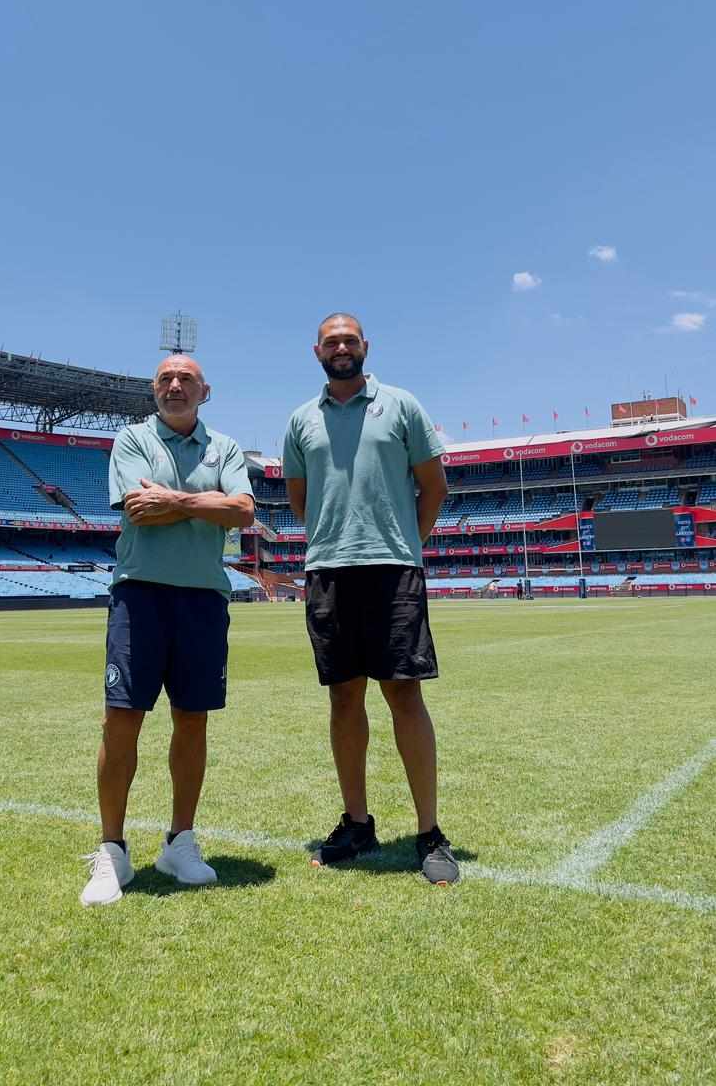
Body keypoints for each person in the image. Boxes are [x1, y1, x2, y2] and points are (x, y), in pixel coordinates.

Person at [282, 313, 459, 885]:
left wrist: (406, 543)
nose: (341, 347)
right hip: (329, 571)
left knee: (404, 693)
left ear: (365, 347)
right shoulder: (301, 420)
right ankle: (357, 823)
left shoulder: (402, 405)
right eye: (331, 341)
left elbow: (434, 486)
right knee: (343, 697)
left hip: (393, 570)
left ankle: (429, 832)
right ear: (317, 351)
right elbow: (300, 498)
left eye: (349, 340)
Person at [81, 355, 254, 906]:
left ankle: (180, 842)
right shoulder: (132, 439)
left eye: (185, 380)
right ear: (154, 390)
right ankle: (112, 851)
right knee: (121, 719)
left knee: (192, 719)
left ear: (205, 391)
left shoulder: (225, 447)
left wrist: (174, 500)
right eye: (165, 379)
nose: (174, 386)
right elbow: (139, 510)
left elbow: (243, 512)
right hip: (140, 594)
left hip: (203, 597)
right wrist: (208, 505)